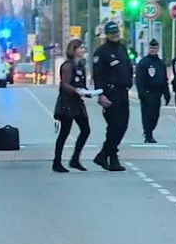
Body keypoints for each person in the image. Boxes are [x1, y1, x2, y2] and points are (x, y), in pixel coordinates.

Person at [92, 21, 133, 172]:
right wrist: (100, 94)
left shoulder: (122, 48)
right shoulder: (101, 52)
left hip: (123, 92)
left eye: (116, 32)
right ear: (106, 34)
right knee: (114, 126)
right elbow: (98, 76)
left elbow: (127, 68)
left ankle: (104, 155)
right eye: (111, 33)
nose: (115, 35)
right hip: (110, 93)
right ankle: (112, 157)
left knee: (123, 126)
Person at [52, 39, 91, 173]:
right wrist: (76, 91)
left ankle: (75, 159)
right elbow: (64, 84)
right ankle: (57, 162)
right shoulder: (67, 66)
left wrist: (88, 92)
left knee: (85, 130)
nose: (83, 50)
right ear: (73, 50)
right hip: (67, 104)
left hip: (77, 103)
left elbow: (81, 84)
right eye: (80, 48)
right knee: (64, 133)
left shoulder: (80, 66)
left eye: (83, 47)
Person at [135, 39, 170, 144]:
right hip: (147, 92)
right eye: (151, 48)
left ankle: (150, 131)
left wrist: (166, 94)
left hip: (157, 93)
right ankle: (148, 134)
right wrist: (141, 93)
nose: (153, 50)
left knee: (155, 115)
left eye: (155, 48)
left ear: (157, 49)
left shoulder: (160, 63)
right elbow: (139, 80)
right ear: (148, 48)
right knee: (147, 115)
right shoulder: (143, 63)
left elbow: (164, 80)